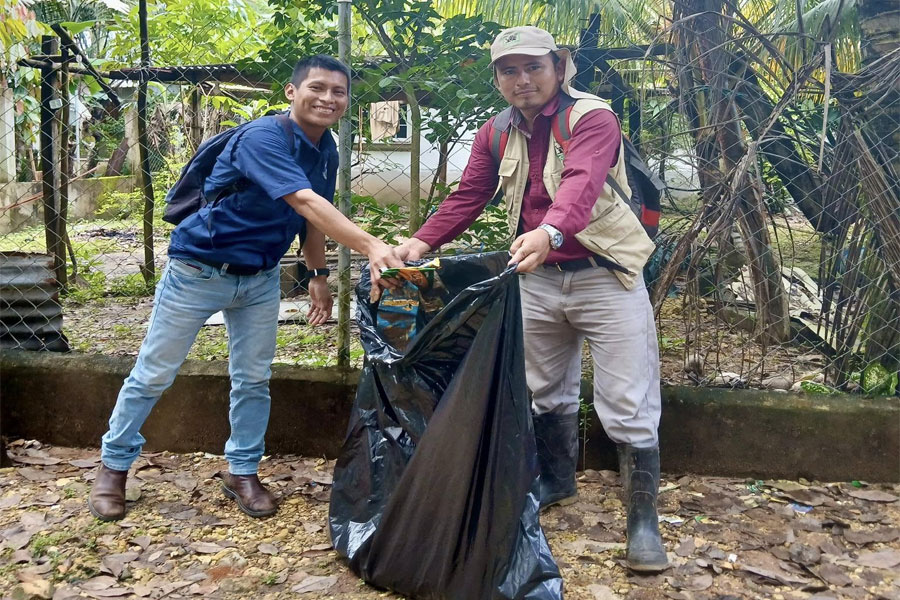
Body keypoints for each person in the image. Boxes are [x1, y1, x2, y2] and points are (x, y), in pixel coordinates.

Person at [396, 27, 668, 572]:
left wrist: (550, 232)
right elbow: (470, 194)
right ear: (497, 78)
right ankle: (557, 480)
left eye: (534, 67)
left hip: (605, 275)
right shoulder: (495, 132)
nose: (522, 80)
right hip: (537, 278)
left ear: (559, 67)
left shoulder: (591, 118)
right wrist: (421, 243)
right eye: (509, 70)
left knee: (628, 400)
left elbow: (581, 183)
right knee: (544, 389)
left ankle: (643, 519)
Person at [89, 55, 403, 521]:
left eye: (339, 92)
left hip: (260, 278)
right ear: (291, 92)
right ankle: (113, 467)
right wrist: (372, 245)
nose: (328, 99)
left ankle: (242, 471)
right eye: (317, 88)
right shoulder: (262, 137)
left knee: (253, 379)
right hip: (198, 271)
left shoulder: (326, 147)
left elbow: (312, 217)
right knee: (154, 373)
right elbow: (303, 200)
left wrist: (318, 276)